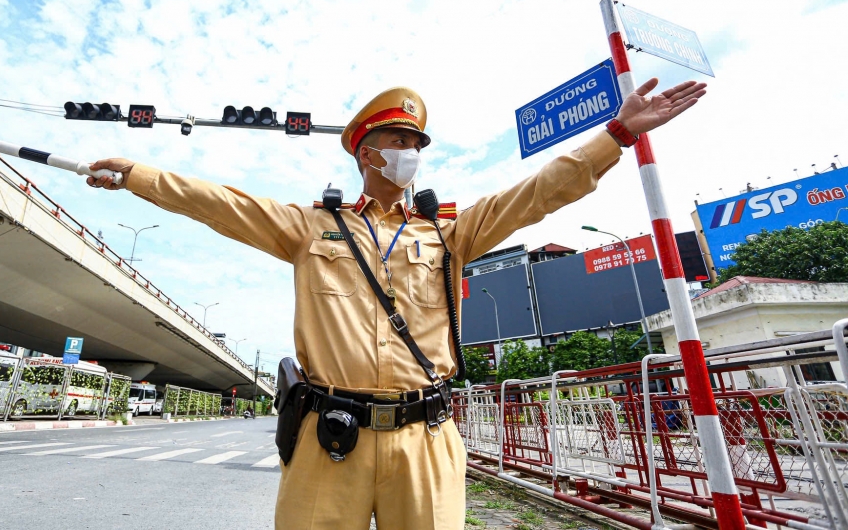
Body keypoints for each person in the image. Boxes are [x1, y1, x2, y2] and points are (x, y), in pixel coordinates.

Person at [87, 78, 705, 529]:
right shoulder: (310, 227)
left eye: (415, 140)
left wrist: (617, 135)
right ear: (365, 151)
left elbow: (536, 195)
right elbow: (221, 203)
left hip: (426, 438)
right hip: (331, 440)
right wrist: (139, 176)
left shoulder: (448, 232)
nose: (409, 149)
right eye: (396, 137)